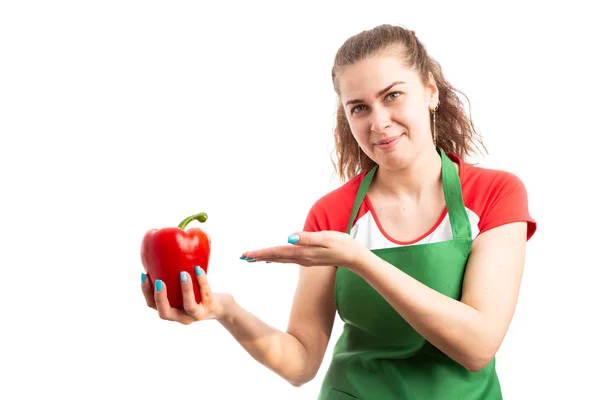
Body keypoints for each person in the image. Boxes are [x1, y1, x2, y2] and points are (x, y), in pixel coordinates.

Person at [140, 24, 536, 399]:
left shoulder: (495, 194)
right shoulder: (334, 212)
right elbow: (299, 362)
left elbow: (478, 346)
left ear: (430, 91)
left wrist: (360, 260)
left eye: (393, 95)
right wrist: (225, 310)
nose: (379, 122)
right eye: (359, 108)